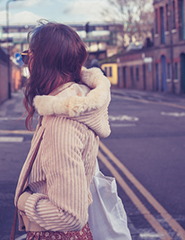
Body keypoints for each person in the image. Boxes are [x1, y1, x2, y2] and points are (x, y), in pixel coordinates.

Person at [14, 21, 112, 239]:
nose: (27, 64)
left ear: (42, 63)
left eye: (28, 57)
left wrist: (23, 201)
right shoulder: (67, 103)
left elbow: (69, 215)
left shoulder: (62, 123)